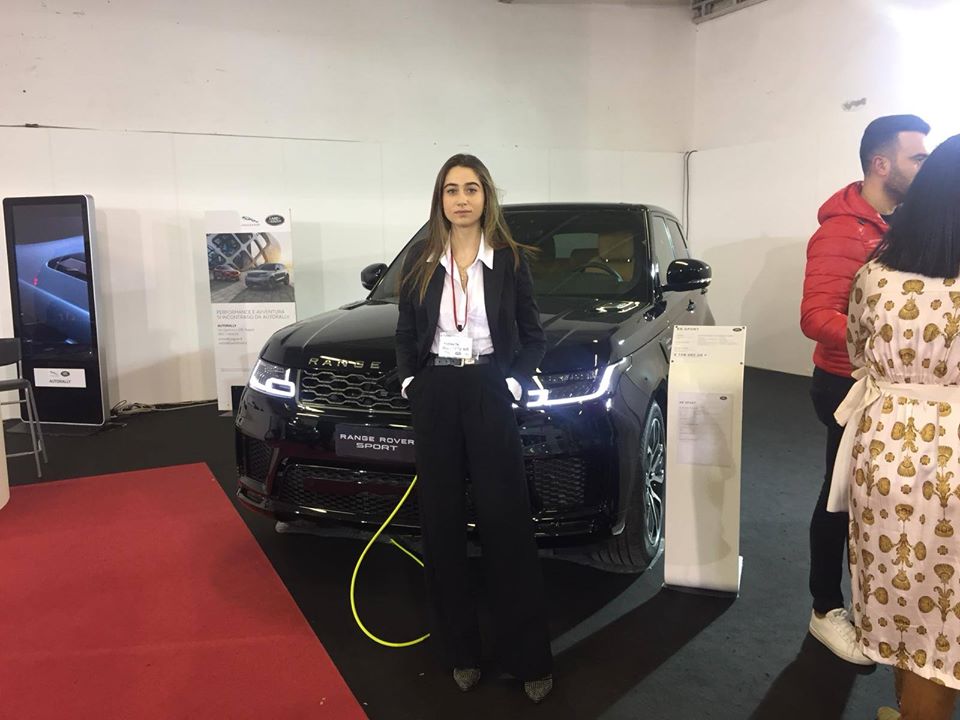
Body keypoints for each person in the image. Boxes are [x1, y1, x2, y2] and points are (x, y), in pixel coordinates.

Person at [394, 154, 554, 702]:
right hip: (436, 391)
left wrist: (512, 383)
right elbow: (405, 331)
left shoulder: (509, 259)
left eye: (471, 189)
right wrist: (411, 383)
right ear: (439, 199)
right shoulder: (421, 259)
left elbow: (533, 335)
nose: (461, 199)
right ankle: (459, 652)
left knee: (506, 522)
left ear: (486, 197)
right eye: (451, 189)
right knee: (440, 525)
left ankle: (528, 658)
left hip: (489, 387)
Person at [833, 133, 960, 720]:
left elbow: (858, 352)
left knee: (905, 595)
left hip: (885, 446)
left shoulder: (874, 276)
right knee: (949, 612)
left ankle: (912, 709)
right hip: (953, 445)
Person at [801, 114, 930, 663]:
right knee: (839, 498)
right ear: (881, 164)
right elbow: (815, 316)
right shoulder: (840, 232)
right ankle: (824, 609)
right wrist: (881, 341)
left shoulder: (895, 225)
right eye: (916, 157)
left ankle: (870, 601)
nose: (925, 167)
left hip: (882, 385)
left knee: (870, 497)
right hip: (844, 385)